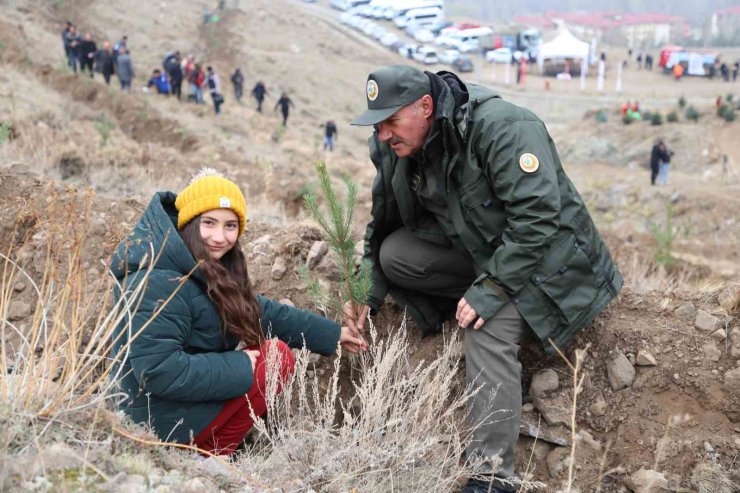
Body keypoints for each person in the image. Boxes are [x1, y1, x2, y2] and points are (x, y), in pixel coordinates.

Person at [345, 65, 622, 493]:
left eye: (390, 122)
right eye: (376, 124)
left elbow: (537, 221)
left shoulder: (504, 128)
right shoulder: (395, 144)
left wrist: (491, 289)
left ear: (425, 106)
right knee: (394, 255)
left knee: (483, 326)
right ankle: (467, 297)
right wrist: (366, 291)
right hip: (480, 252)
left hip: (548, 265)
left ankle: (492, 475)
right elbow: (382, 222)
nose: (382, 134)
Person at [109, 168, 366, 456]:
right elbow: (160, 372)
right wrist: (240, 365)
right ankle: (207, 454)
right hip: (149, 420)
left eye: (230, 226)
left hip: (169, 407)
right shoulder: (158, 280)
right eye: (209, 223)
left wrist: (333, 334)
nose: (220, 237)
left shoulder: (198, 265)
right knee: (274, 359)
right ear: (188, 222)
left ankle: (206, 454)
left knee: (273, 353)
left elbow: (260, 312)